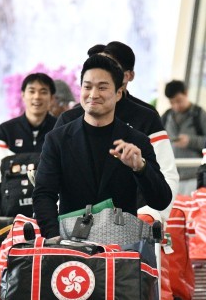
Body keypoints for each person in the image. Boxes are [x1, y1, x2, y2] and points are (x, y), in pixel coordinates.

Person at [31, 54, 172, 239]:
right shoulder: (57, 140)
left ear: (118, 93)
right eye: (87, 87)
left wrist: (141, 168)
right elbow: (43, 195)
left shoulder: (136, 141)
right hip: (71, 247)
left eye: (102, 87)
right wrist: (53, 238)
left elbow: (161, 200)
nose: (93, 94)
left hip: (122, 248)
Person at [55, 41, 178, 217]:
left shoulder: (146, 118)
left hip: (129, 224)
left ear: (127, 76)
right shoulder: (68, 119)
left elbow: (166, 175)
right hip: (73, 224)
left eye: (110, 67)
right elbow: (49, 183)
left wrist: (150, 215)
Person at [0, 72, 58, 186]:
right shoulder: (6, 130)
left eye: (43, 92)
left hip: (50, 198)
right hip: (13, 198)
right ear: (23, 95)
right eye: (31, 91)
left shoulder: (60, 128)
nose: (37, 97)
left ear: (52, 98)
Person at [161, 79, 206, 193]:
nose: (176, 106)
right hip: (170, 177)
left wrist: (190, 141)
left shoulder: (200, 115)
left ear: (186, 93)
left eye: (179, 101)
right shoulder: (166, 117)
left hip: (194, 176)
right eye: (172, 102)